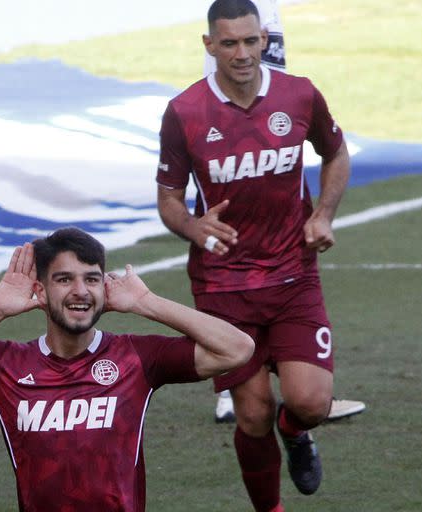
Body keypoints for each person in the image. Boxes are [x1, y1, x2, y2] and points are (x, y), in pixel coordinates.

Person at [0, 227, 254, 512]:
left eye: (92, 279)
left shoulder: (137, 358)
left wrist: (147, 303)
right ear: (40, 292)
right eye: (64, 280)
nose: (81, 290)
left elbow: (237, 348)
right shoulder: (2, 364)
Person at [156, 0, 350, 509]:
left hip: (293, 275)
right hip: (223, 284)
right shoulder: (185, 113)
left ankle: (296, 431)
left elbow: (335, 153)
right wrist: (193, 227)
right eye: (228, 43)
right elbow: (170, 199)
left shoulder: (299, 94)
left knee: (310, 403)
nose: (241, 53)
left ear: (264, 40)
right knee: (251, 415)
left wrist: (323, 214)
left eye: (250, 41)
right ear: (209, 46)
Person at [203, 0, 366, 426]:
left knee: (272, 127)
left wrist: (323, 214)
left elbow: (331, 148)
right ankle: (235, 386)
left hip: (262, 20)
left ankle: (291, 402)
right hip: (230, 272)